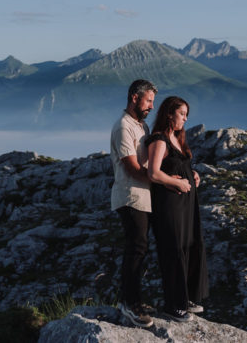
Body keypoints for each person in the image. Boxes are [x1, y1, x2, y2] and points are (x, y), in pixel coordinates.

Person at [146, 95, 209, 322]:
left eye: (186, 115)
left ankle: (185, 299)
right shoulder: (159, 139)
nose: (185, 119)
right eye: (182, 114)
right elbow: (153, 173)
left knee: (189, 246)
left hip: (185, 204)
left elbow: (178, 166)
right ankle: (173, 306)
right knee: (172, 250)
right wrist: (178, 183)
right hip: (168, 204)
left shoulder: (177, 138)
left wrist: (191, 176)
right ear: (169, 113)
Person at [109, 78, 157, 328]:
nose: (151, 106)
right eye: (148, 100)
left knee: (140, 248)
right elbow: (133, 167)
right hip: (130, 196)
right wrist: (161, 180)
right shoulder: (123, 127)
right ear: (134, 98)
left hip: (142, 195)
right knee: (136, 248)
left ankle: (133, 299)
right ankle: (129, 303)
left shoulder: (142, 126)